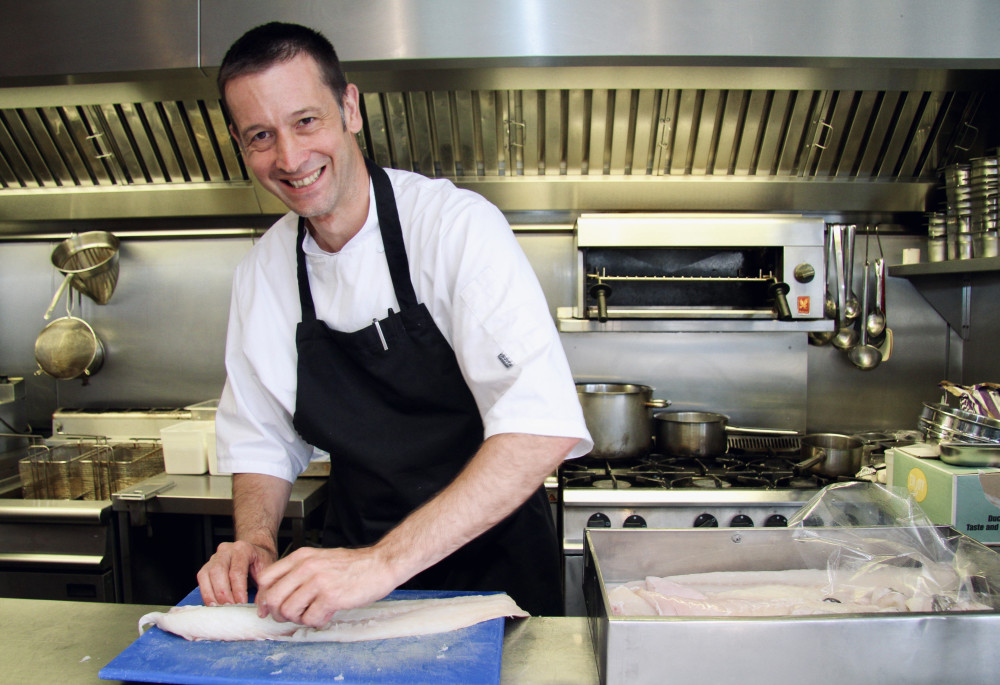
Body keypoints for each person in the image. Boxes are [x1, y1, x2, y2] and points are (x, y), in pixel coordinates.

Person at [196, 21, 592, 626]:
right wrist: (255, 540)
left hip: (492, 570)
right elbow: (260, 436)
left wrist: (381, 564)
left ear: (349, 107)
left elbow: (540, 427)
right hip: (352, 576)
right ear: (239, 142)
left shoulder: (453, 227)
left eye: (306, 121)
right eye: (260, 136)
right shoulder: (263, 272)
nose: (290, 157)